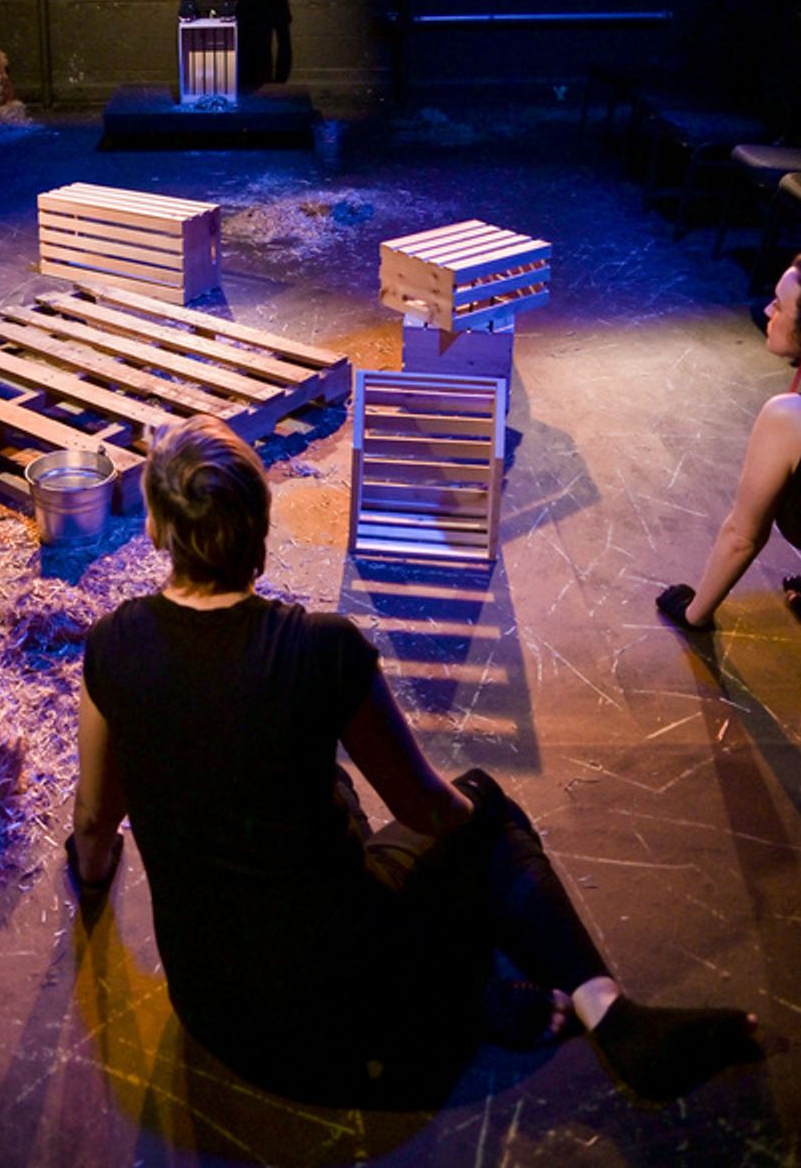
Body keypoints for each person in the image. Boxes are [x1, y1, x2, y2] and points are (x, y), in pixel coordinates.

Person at [69, 415, 758, 1106]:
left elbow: (96, 819)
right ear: (259, 523)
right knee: (482, 805)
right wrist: (477, 831)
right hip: (345, 1019)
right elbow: (424, 808)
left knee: (329, 785)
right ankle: (611, 1014)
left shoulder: (110, 645)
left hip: (216, 1016)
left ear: (158, 530)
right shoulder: (321, 649)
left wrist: (94, 882)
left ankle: (459, 985)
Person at [657, 256, 801, 631]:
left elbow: (743, 536)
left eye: (780, 307)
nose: (768, 311)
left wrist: (694, 613)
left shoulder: (789, 418)